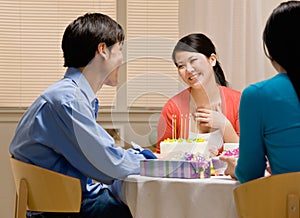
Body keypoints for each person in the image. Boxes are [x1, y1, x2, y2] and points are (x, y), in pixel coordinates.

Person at [9, 12, 156, 218]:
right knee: (147, 208)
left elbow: (103, 153)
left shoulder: (68, 96)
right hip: (63, 210)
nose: (122, 59)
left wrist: (142, 157)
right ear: (102, 50)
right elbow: (108, 166)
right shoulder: (68, 101)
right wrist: (155, 164)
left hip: (62, 203)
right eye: (120, 50)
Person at [220, 0, 300, 183]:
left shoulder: (257, 95)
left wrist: (235, 168)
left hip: (289, 205)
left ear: (272, 48)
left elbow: (250, 173)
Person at [156, 33, 241, 153]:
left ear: (212, 60)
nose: (189, 70)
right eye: (181, 66)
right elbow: (161, 157)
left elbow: (249, 155)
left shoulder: (239, 102)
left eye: (193, 60)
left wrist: (224, 125)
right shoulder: (172, 108)